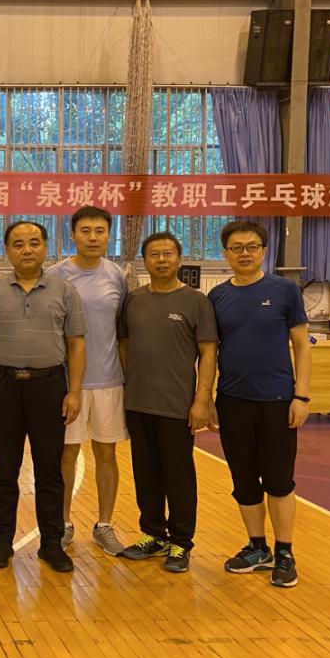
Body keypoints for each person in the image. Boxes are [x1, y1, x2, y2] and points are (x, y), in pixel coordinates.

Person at [0, 220, 85, 572]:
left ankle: (51, 543)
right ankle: (2, 541)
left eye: (34, 242)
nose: (27, 249)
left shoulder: (65, 290)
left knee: (49, 470)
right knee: (4, 469)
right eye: (19, 243)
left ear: (45, 247)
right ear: (7, 250)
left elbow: (76, 344)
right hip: (4, 386)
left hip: (49, 387)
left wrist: (74, 391)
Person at [209, 220, 310, 589]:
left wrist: (302, 395)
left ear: (264, 250)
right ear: (226, 253)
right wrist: (207, 397)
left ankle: (285, 552)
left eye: (252, 246)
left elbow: (302, 345)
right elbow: (209, 352)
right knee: (244, 480)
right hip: (232, 401)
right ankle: (257, 547)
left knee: (279, 481)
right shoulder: (217, 296)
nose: (245, 253)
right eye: (236, 248)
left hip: (278, 402)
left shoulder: (285, 290)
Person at [117, 232, 218, 573]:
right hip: (138, 404)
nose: (161, 260)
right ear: (144, 260)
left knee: (178, 476)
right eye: (154, 254)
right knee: (145, 474)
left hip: (177, 405)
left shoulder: (196, 301)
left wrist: (202, 398)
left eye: (167, 254)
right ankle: (153, 534)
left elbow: (208, 352)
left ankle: (181, 542)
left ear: (179, 258)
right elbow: (125, 345)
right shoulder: (133, 299)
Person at [48, 206, 129, 556]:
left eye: (100, 231)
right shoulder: (55, 275)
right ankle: (63, 524)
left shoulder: (117, 275)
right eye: (85, 231)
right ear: (73, 235)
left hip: (109, 381)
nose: (93, 237)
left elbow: (122, 331)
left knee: (106, 454)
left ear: (109, 235)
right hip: (69, 385)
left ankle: (105, 525)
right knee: (67, 455)